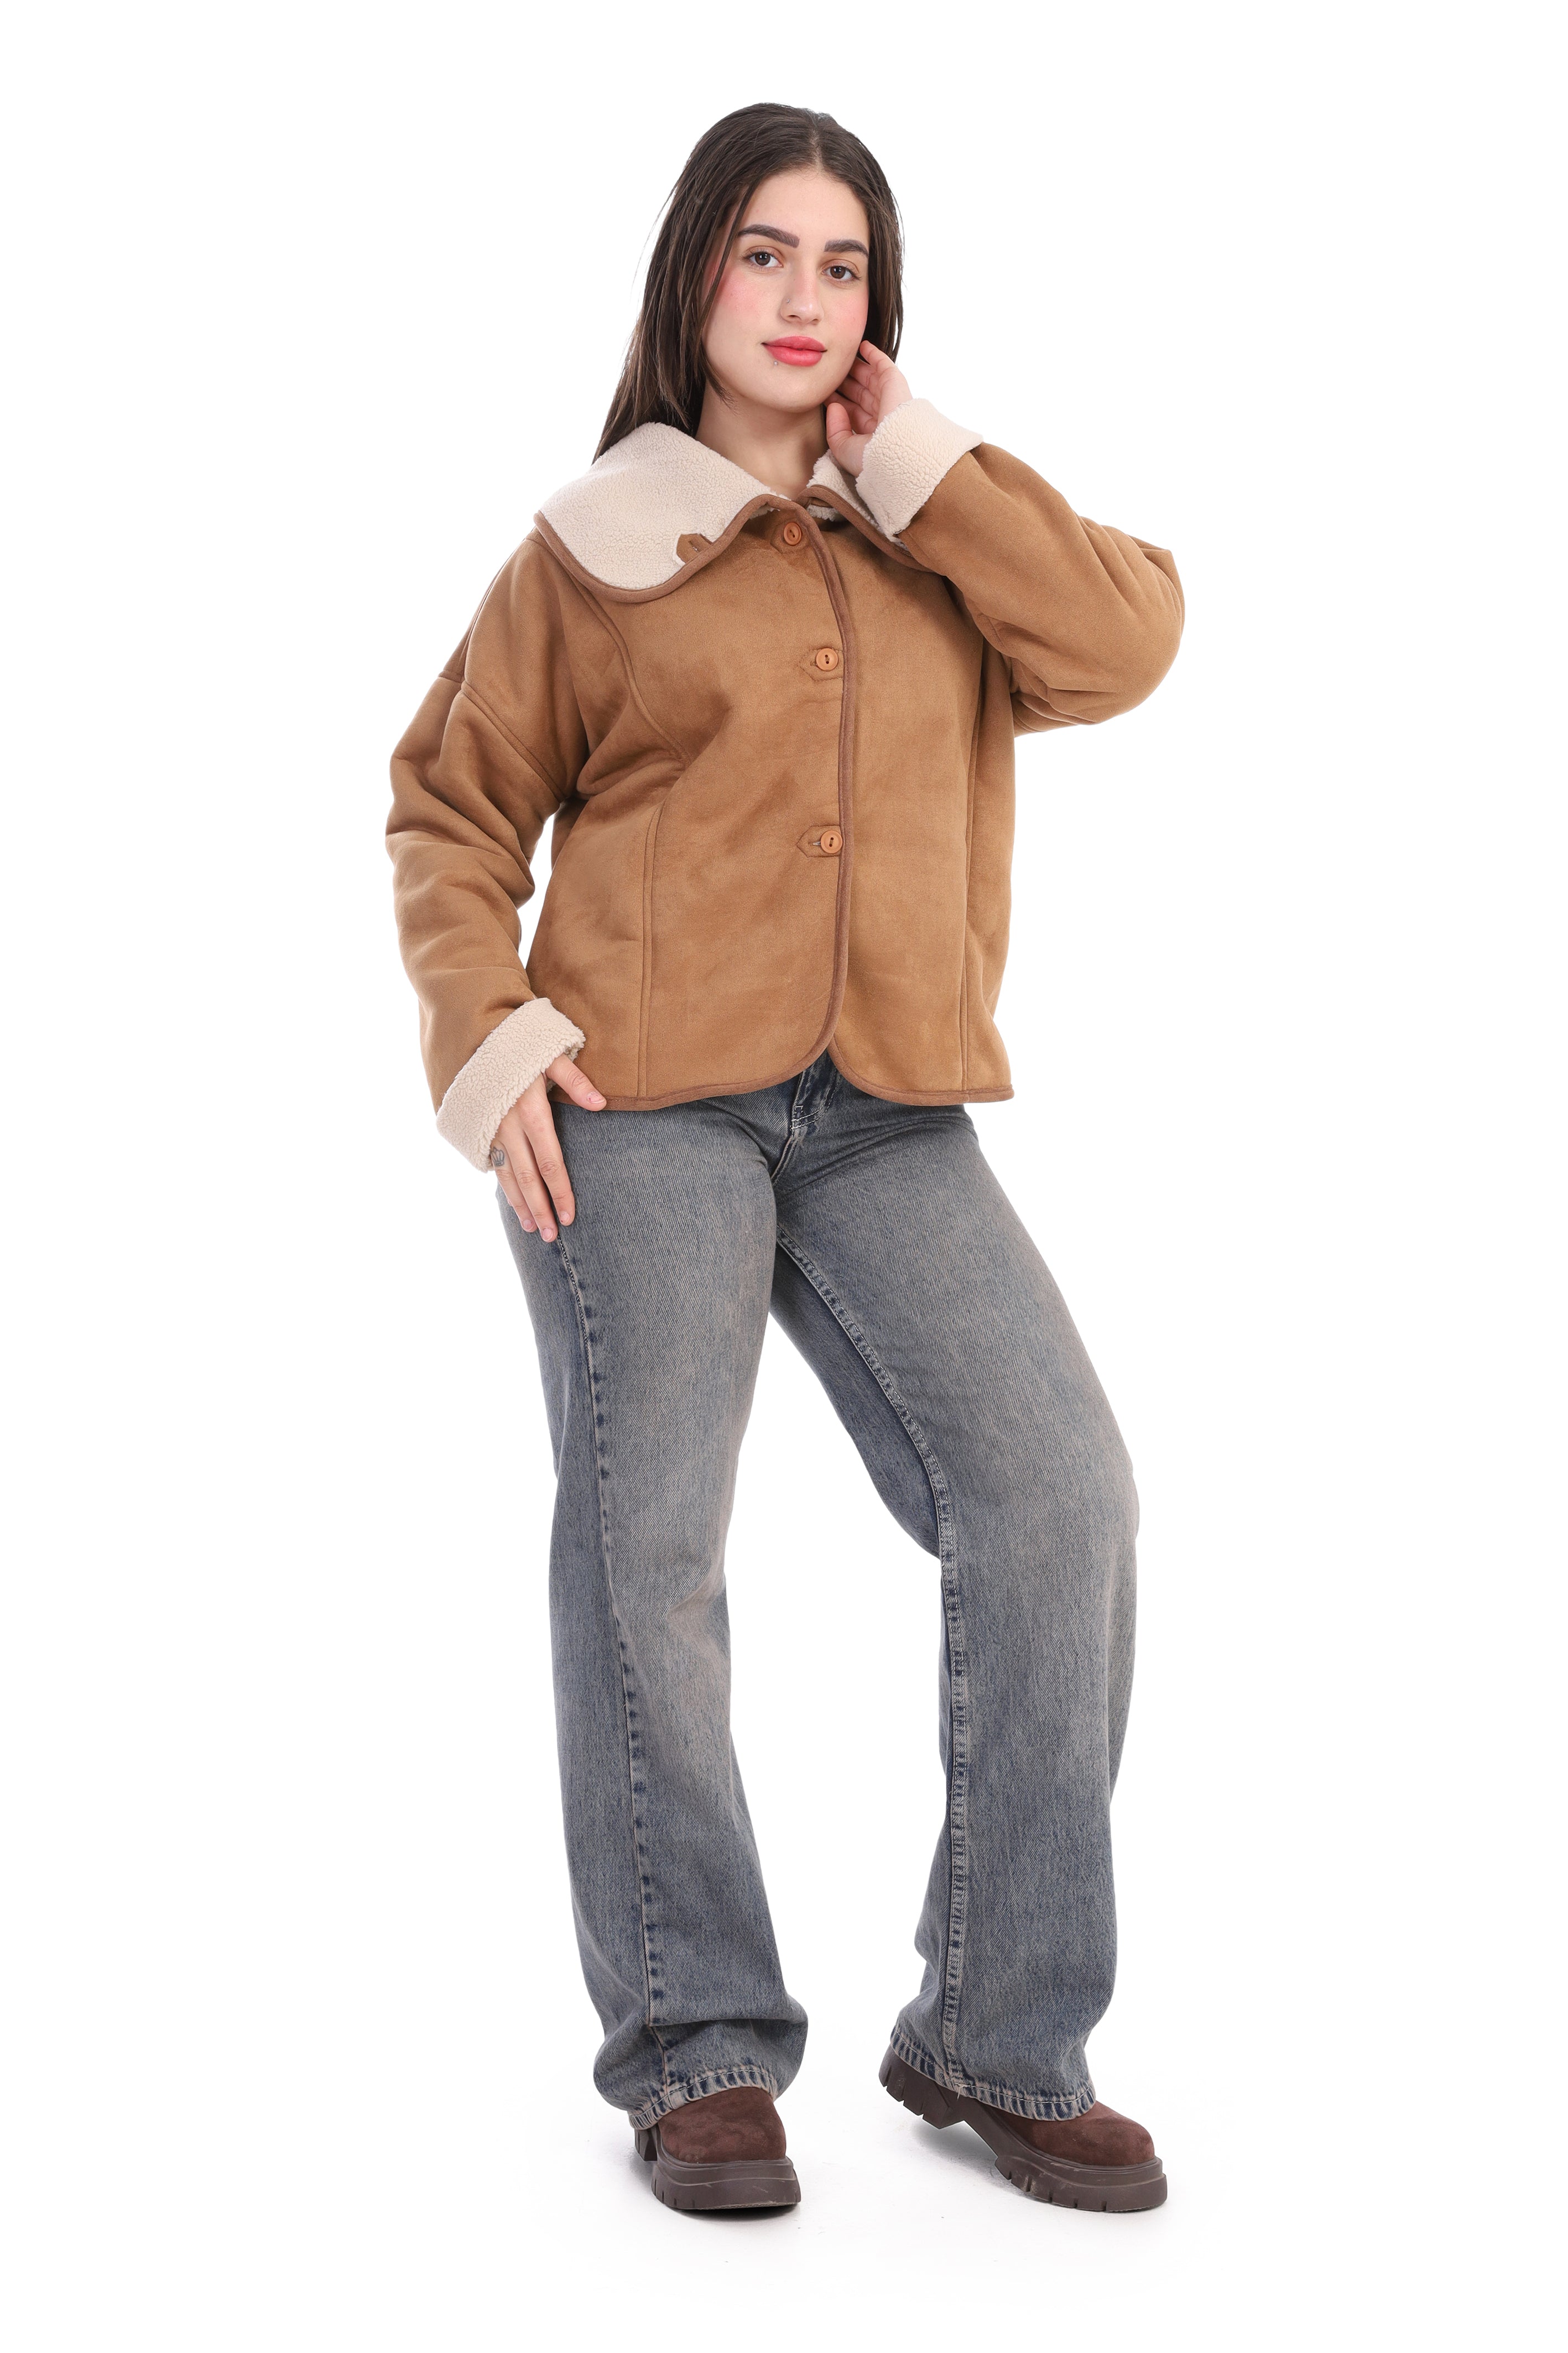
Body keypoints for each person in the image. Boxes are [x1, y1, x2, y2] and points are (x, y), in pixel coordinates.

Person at [387, 101, 1182, 2216]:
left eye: (842, 264)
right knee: (649, 1549)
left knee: (1061, 1502)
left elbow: (1123, 645)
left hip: (889, 1108)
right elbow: (450, 807)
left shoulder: (941, 533)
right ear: (696, 279)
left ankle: (996, 2037)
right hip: (637, 1099)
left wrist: (920, 462)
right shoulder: (593, 548)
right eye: (765, 254)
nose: (803, 297)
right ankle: (698, 2050)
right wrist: (490, 1037)